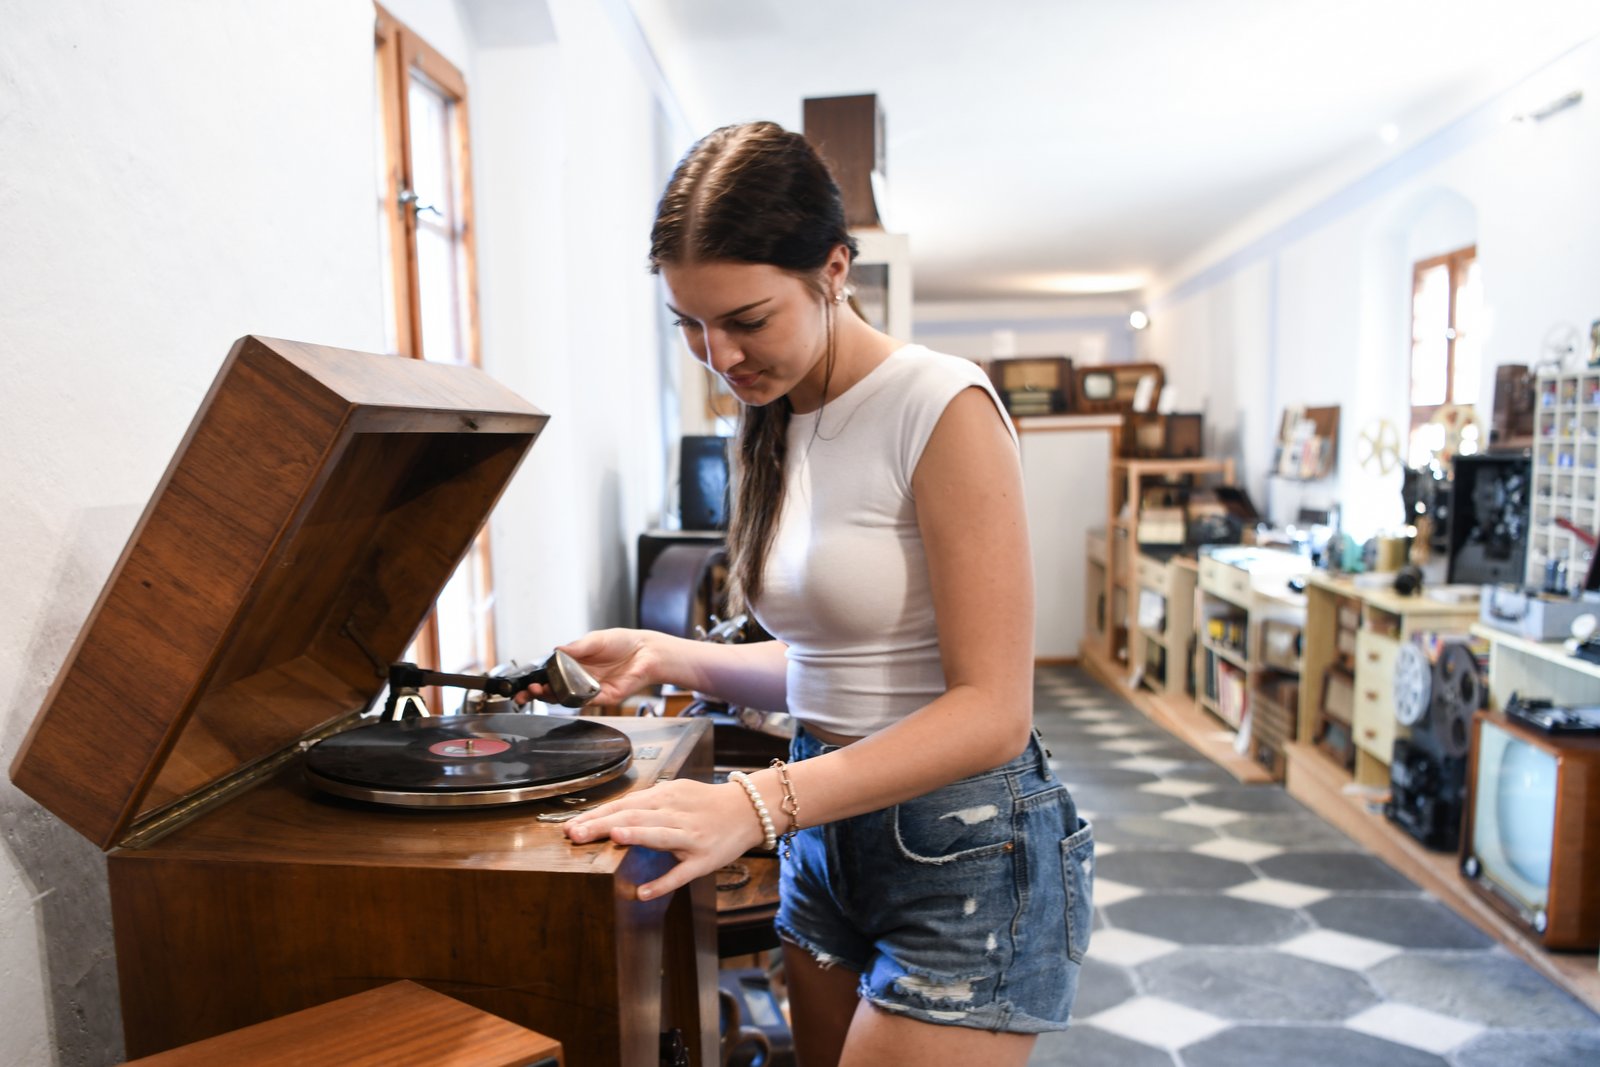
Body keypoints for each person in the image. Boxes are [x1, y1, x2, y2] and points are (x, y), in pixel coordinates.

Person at [526, 120, 1093, 1067]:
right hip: (828, 836)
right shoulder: (781, 417)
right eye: (691, 326)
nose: (718, 355)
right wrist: (667, 654)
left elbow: (992, 711)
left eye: (746, 320)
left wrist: (755, 804)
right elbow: (841, 664)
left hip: (964, 847)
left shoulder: (942, 406)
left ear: (833, 269)